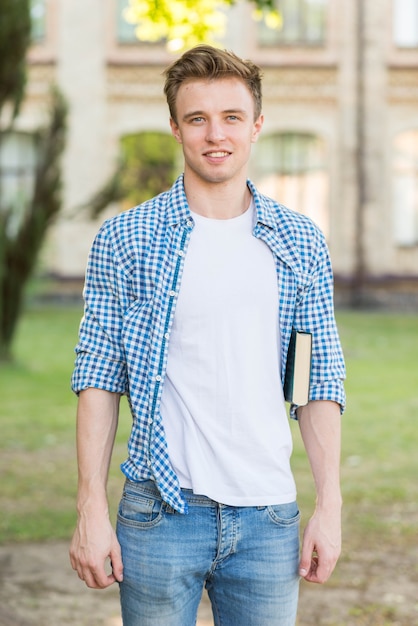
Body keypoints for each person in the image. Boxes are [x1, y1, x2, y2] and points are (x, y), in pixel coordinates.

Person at [69, 44, 346, 626]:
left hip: (268, 517)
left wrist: (331, 504)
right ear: (175, 127)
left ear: (257, 125)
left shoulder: (298, 242)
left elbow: (315, 380)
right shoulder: (127, 239)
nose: (214, 134)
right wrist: (90, 507)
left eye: (231, 117)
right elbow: (98, 377)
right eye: (197, 118)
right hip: (159, 516)